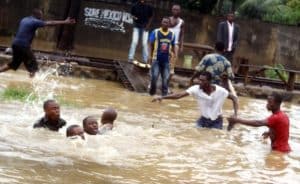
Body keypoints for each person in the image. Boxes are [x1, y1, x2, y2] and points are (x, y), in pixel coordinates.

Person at [0, 9, 75, 77]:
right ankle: (32, 87)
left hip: (15, 44)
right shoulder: (35, 21)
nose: (41, 18)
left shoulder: (24, 19)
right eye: (41, 16)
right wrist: (65, 22)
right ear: (38, 15)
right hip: (23, 46)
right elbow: (51, 23)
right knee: (34, 67)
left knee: (13, 64)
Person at [152, 71, 238, 129]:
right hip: (203, 120)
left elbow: (234, 98)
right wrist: (162, 97)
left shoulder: (220, 91)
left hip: (217, 122)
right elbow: (178, 95)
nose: (199, 82)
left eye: (203, 81)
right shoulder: (196, 89)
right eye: (199, 80)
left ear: (209, 82)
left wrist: (235, 114)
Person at [148, 17, 175, 96]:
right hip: (156, 59)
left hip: (166, 61)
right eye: (163, 22)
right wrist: (149, 55)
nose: (165, 24)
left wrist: (173, 55)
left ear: (169, 24)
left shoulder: (172, 34)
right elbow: (150, 43)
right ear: (161, 23)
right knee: (154, 77)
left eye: (166, 23)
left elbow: (173, 46)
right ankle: (151, 94)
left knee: (165, 79)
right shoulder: (155, 32)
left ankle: (164, 97)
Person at [169, 4, 185, 79]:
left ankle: (168, 79)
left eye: (177, 10)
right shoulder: (167, 20)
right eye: (174, 9)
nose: (175, 11)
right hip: (166, 43)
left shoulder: (181, 22)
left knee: (173, 62)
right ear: (171, 10)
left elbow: (182, 35)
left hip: (175, 44)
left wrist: (181, 45)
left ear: (180, 11)